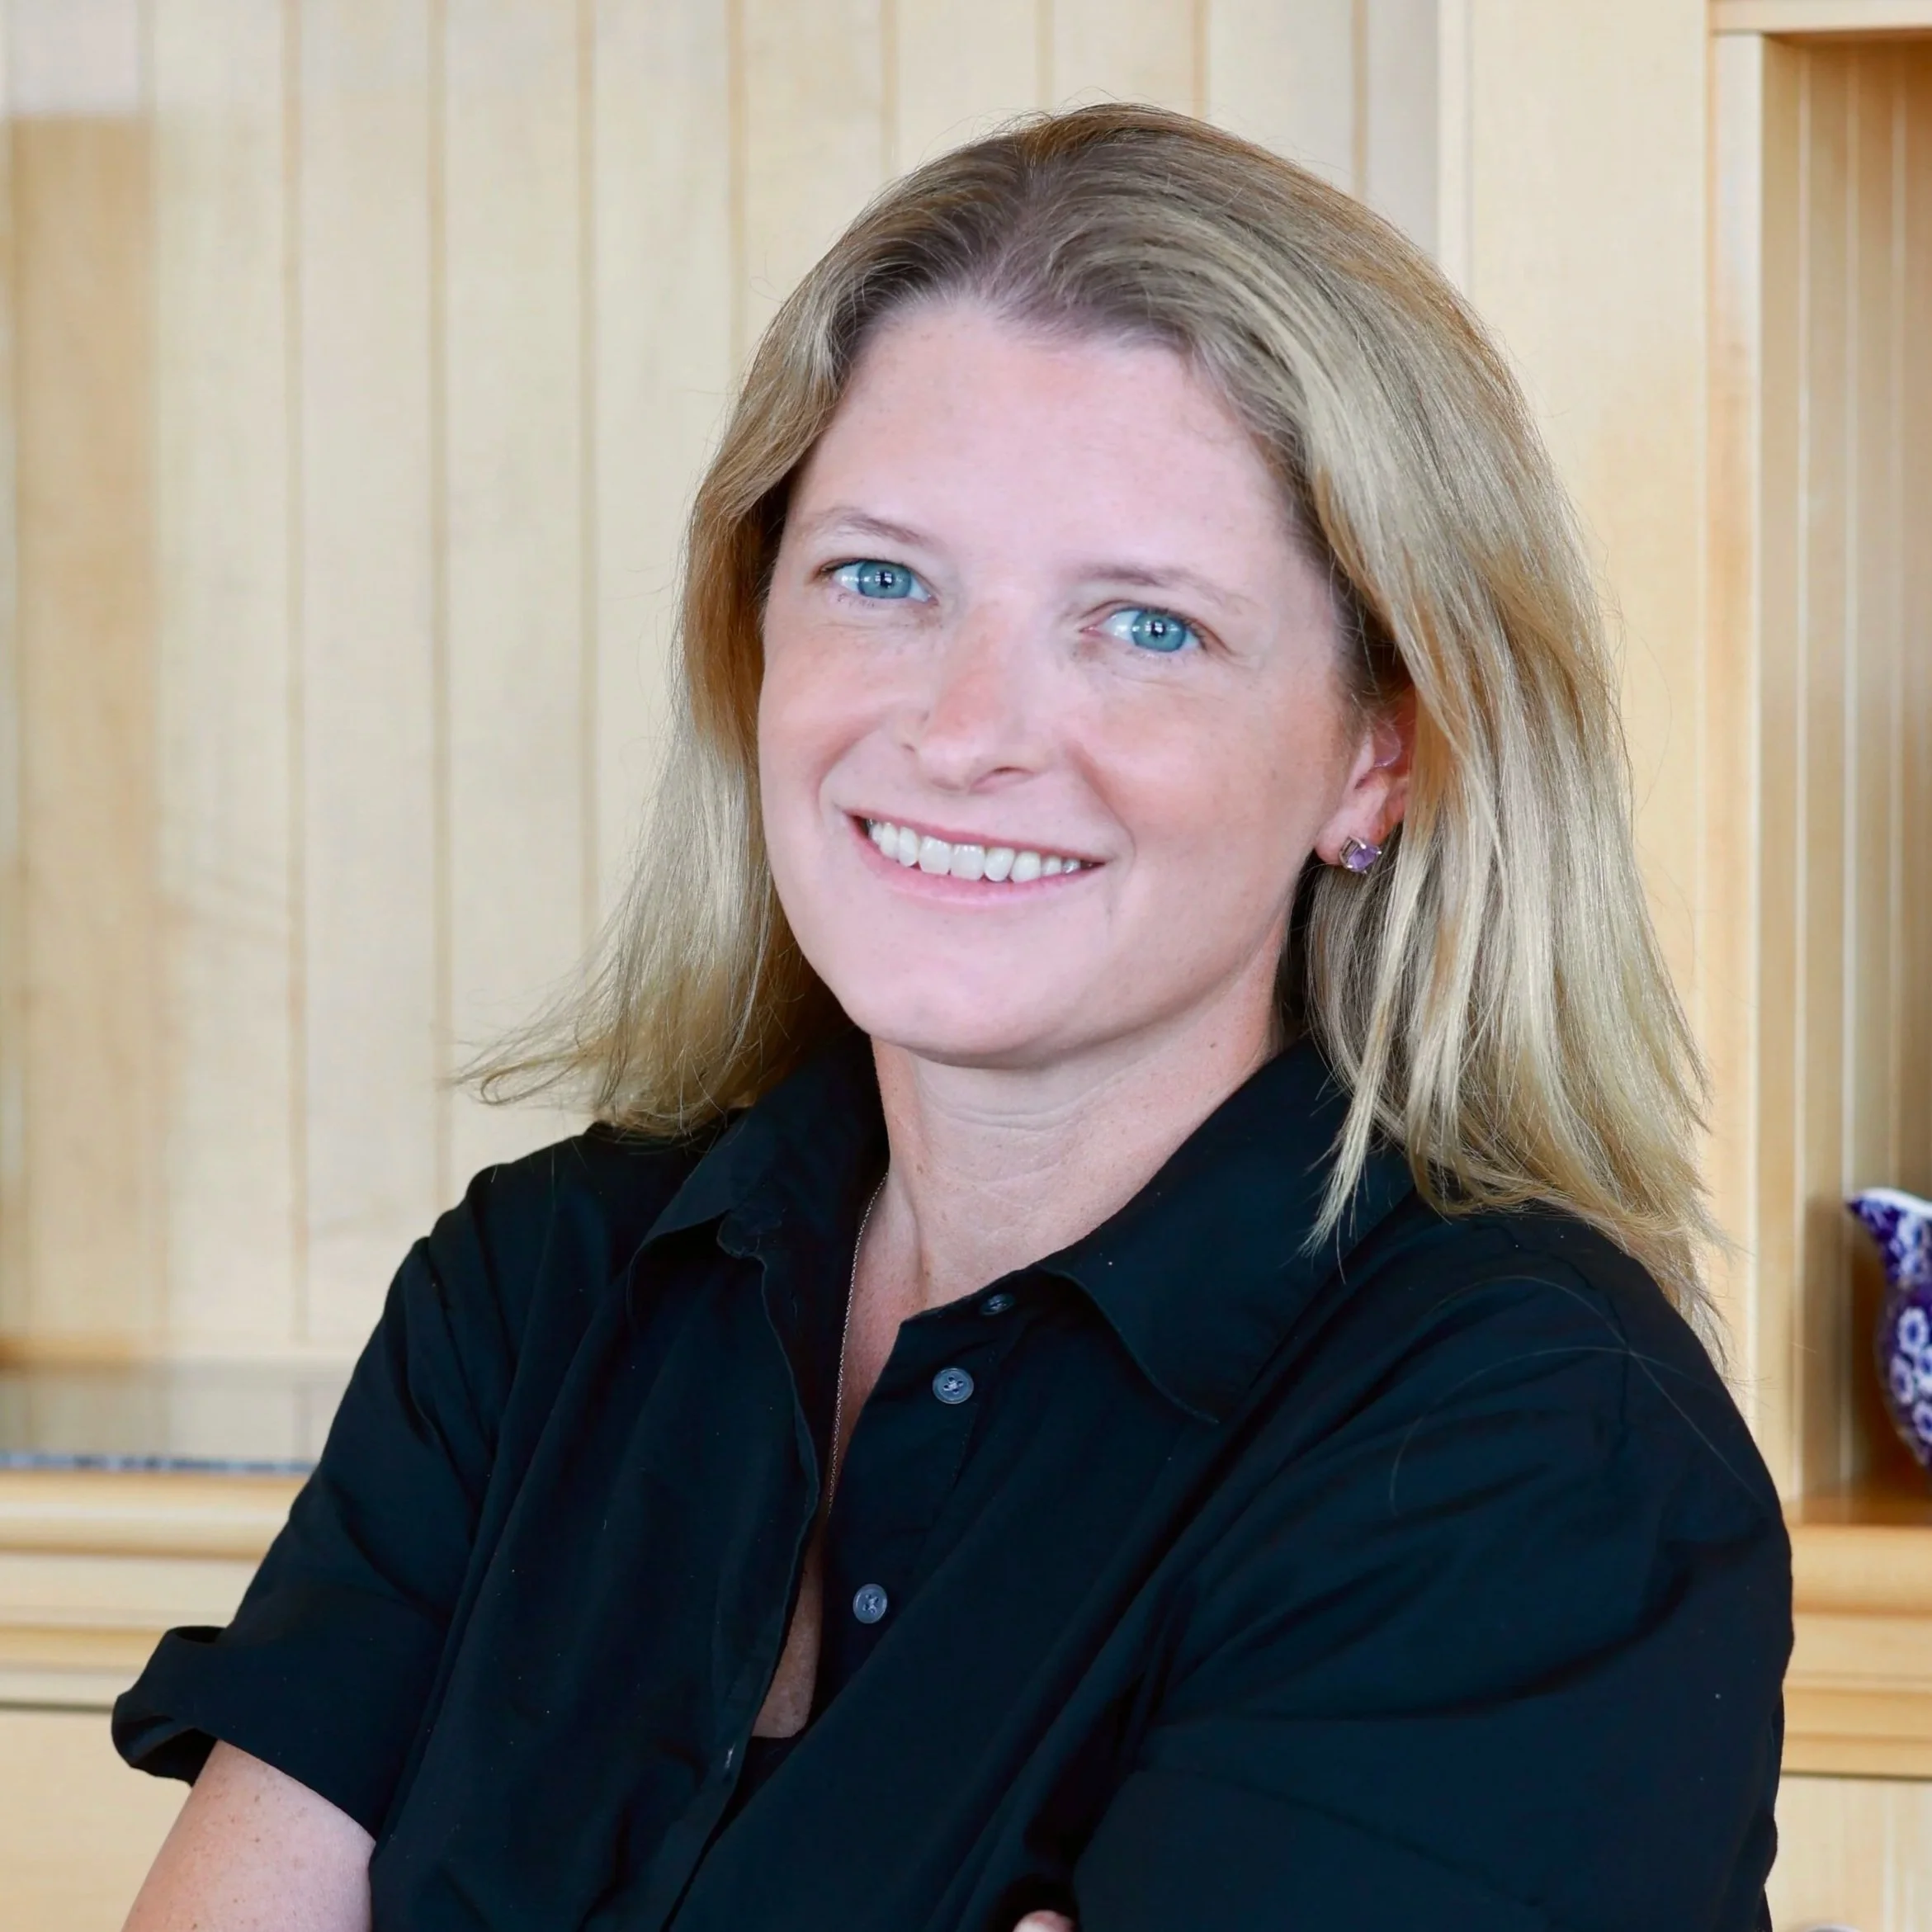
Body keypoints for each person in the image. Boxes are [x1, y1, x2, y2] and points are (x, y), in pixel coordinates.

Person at [113, 104, 1790, 1931]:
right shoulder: (532, 1300)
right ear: (756, 628)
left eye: (1145, 626)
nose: (968, 727)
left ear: (1381, 753)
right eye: (883, 579)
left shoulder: (1525, 1449)